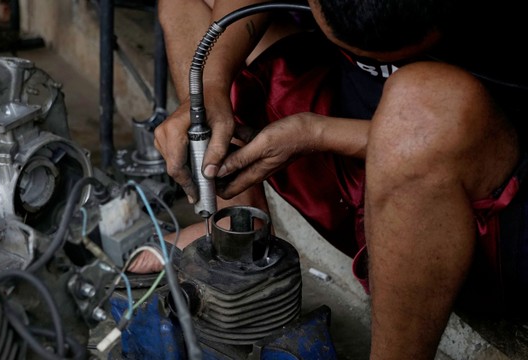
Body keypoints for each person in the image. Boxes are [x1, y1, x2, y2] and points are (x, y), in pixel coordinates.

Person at [131, 0, 528, 358]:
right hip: (342, 170)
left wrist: (314, 133)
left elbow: (425, 135)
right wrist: (210, 87)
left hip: (462, 214)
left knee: (422, 102)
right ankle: (236, 228)